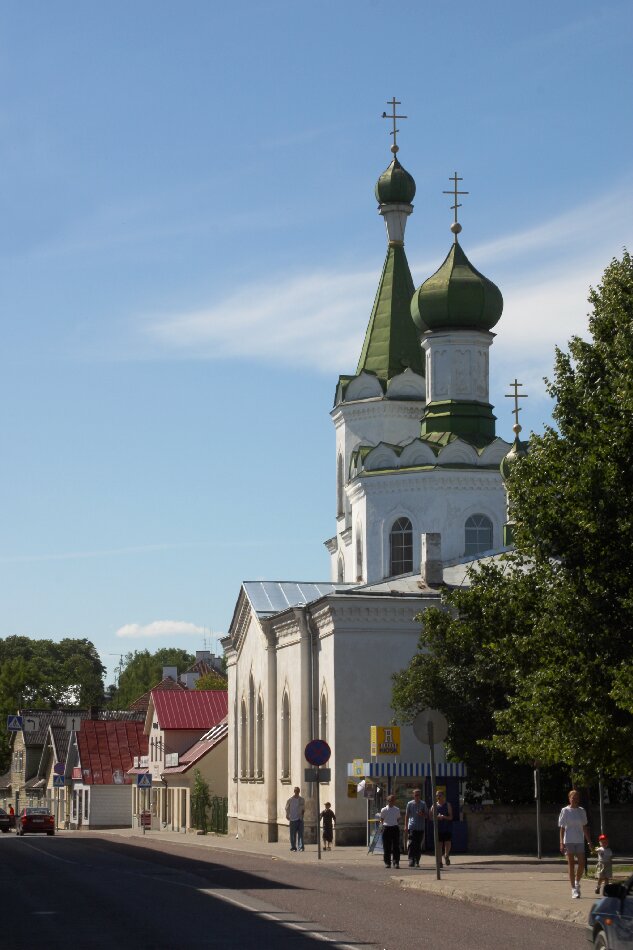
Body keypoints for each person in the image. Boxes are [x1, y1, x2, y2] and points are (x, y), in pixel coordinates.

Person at [558, 788, 592, 899]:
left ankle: (577, 882)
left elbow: (584, 827)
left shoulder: (582, 811)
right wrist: (561, 842)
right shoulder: (565, 811)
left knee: (582, 863)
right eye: (573, 797)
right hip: (568, 840)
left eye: (577, 798)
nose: (575, 799)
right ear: (569, 798)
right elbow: (562, 828)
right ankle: (573, 889)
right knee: (571, 864)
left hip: (579, 840)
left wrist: (589, 842)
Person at [404, 788, 427, 867]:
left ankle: (417, 860)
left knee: (418, 845)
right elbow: (407, 815)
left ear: (420, 795)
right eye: (415, 795)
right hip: (412, 826)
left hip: (420, 827)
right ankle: (411, 859)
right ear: (413, 795)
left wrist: (422, 814)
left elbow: (427, 815)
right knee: (411, 843)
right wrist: (406, 826)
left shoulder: (423, 804)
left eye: (418, 795)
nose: (417, 796)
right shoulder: (410, 804)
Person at [430, 789, 453, 865]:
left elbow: (451, 817)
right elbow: (430, 817)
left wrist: (444, 817)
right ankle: (439, 861)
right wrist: (436, 817)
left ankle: (446, 855)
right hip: (438, 828)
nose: (438, 797)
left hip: (446, 827)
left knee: (447, 843)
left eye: (440, 795)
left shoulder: (447, 805)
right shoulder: (434, 805)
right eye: (437, 795)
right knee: (439, 845)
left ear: (443, 796)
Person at [380, 793, 401, 870]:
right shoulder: (384, 810)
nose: (391, 802)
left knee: (396, 847)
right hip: (386, 828)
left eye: (393, 800)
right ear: (388, 801)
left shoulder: (397, 809)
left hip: (394, 828)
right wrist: (382, 827)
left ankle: (396, 862)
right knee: (387, 847)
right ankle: (387, 862)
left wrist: (394, 823)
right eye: (390, 800)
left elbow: (398, 819)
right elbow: (382, 819)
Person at [285, 787, 305, 852]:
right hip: (292, 819)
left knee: (301, 834)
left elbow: (304, 808)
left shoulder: (302, 800)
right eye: (296, 791)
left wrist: (302, 814)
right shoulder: (290, 800)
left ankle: (301, 847)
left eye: (298, 791)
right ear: (294, 791)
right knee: (292, 835)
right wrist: (287, 815)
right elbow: (286, 808)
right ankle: (293, 847)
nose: (297, 792)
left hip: (300, 819)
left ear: (299, 792)